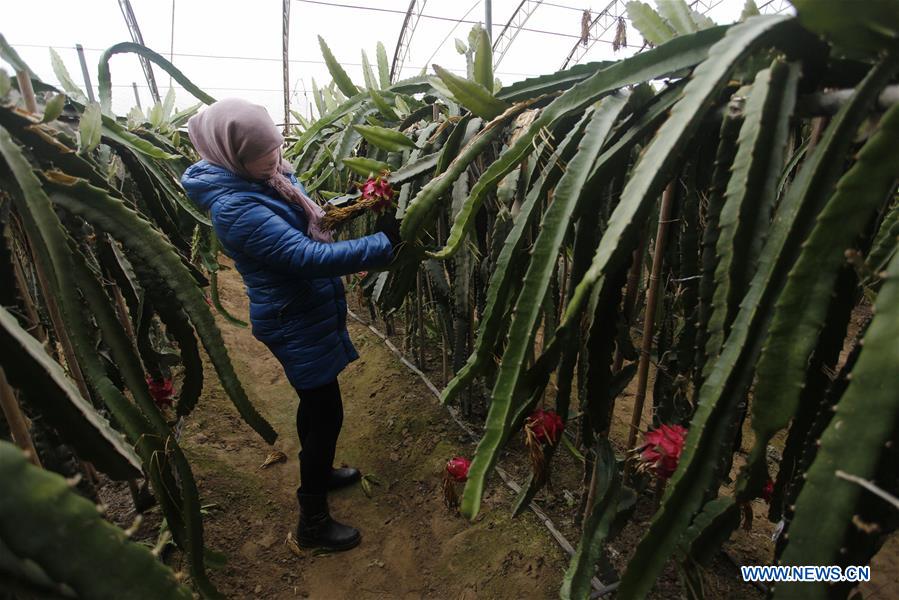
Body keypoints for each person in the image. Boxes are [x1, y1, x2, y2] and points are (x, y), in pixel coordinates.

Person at [181, 98, 398, 552]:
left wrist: (349, 208)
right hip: (293, 319)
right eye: (266, 152)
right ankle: (312, 524)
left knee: (316, 406)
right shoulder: (235, 208)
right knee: (325, 414)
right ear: (232, 154)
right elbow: (306, 256)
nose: (277, 157)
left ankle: (320, 474)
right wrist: (383, 243)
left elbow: (304, 220)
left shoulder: (265, 180)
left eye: (278, 147)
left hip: (303, 312)